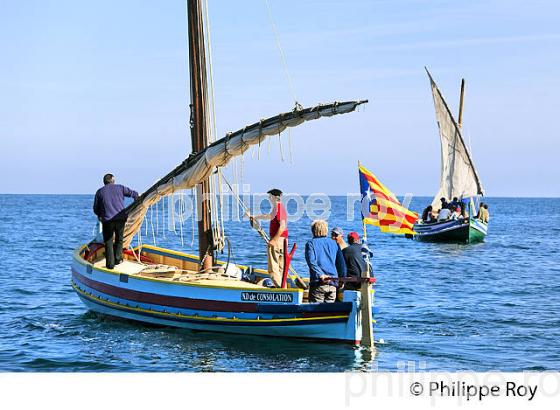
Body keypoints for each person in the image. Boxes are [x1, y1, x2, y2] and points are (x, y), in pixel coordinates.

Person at [93, 173, 138, 269]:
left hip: (107, 220)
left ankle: (110, 265)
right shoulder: (120, 188)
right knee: (119, 239)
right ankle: (117, 259)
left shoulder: (100, 192)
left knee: (108, 241)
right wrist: (136, 199)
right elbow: (133, 194)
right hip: (120, 219)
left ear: (104, 182)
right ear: (113, 181)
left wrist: (100, 215)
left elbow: (95, 208)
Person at [250, 188, 288, 287]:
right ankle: (282, 287)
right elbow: (269, 216)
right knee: (281, 268)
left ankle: (281, 290)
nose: (269, 199)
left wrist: (274, 240)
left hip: (278, 241)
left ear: (275, 198)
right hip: (282, 241)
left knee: (273, 268)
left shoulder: (279, 208)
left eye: (270, 197)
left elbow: (282, 226)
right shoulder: (277, 208)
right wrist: (255, 217)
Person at [305, 219, 346, 303]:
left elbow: (311, 262)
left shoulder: (311, 243)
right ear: (326, 231)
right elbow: (341, 264)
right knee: (329, 311)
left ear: (313, 231)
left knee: (316, 312)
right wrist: (342, 279)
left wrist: (320, 275)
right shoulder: (334, 243)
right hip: (333, 283)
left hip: (319, 283)